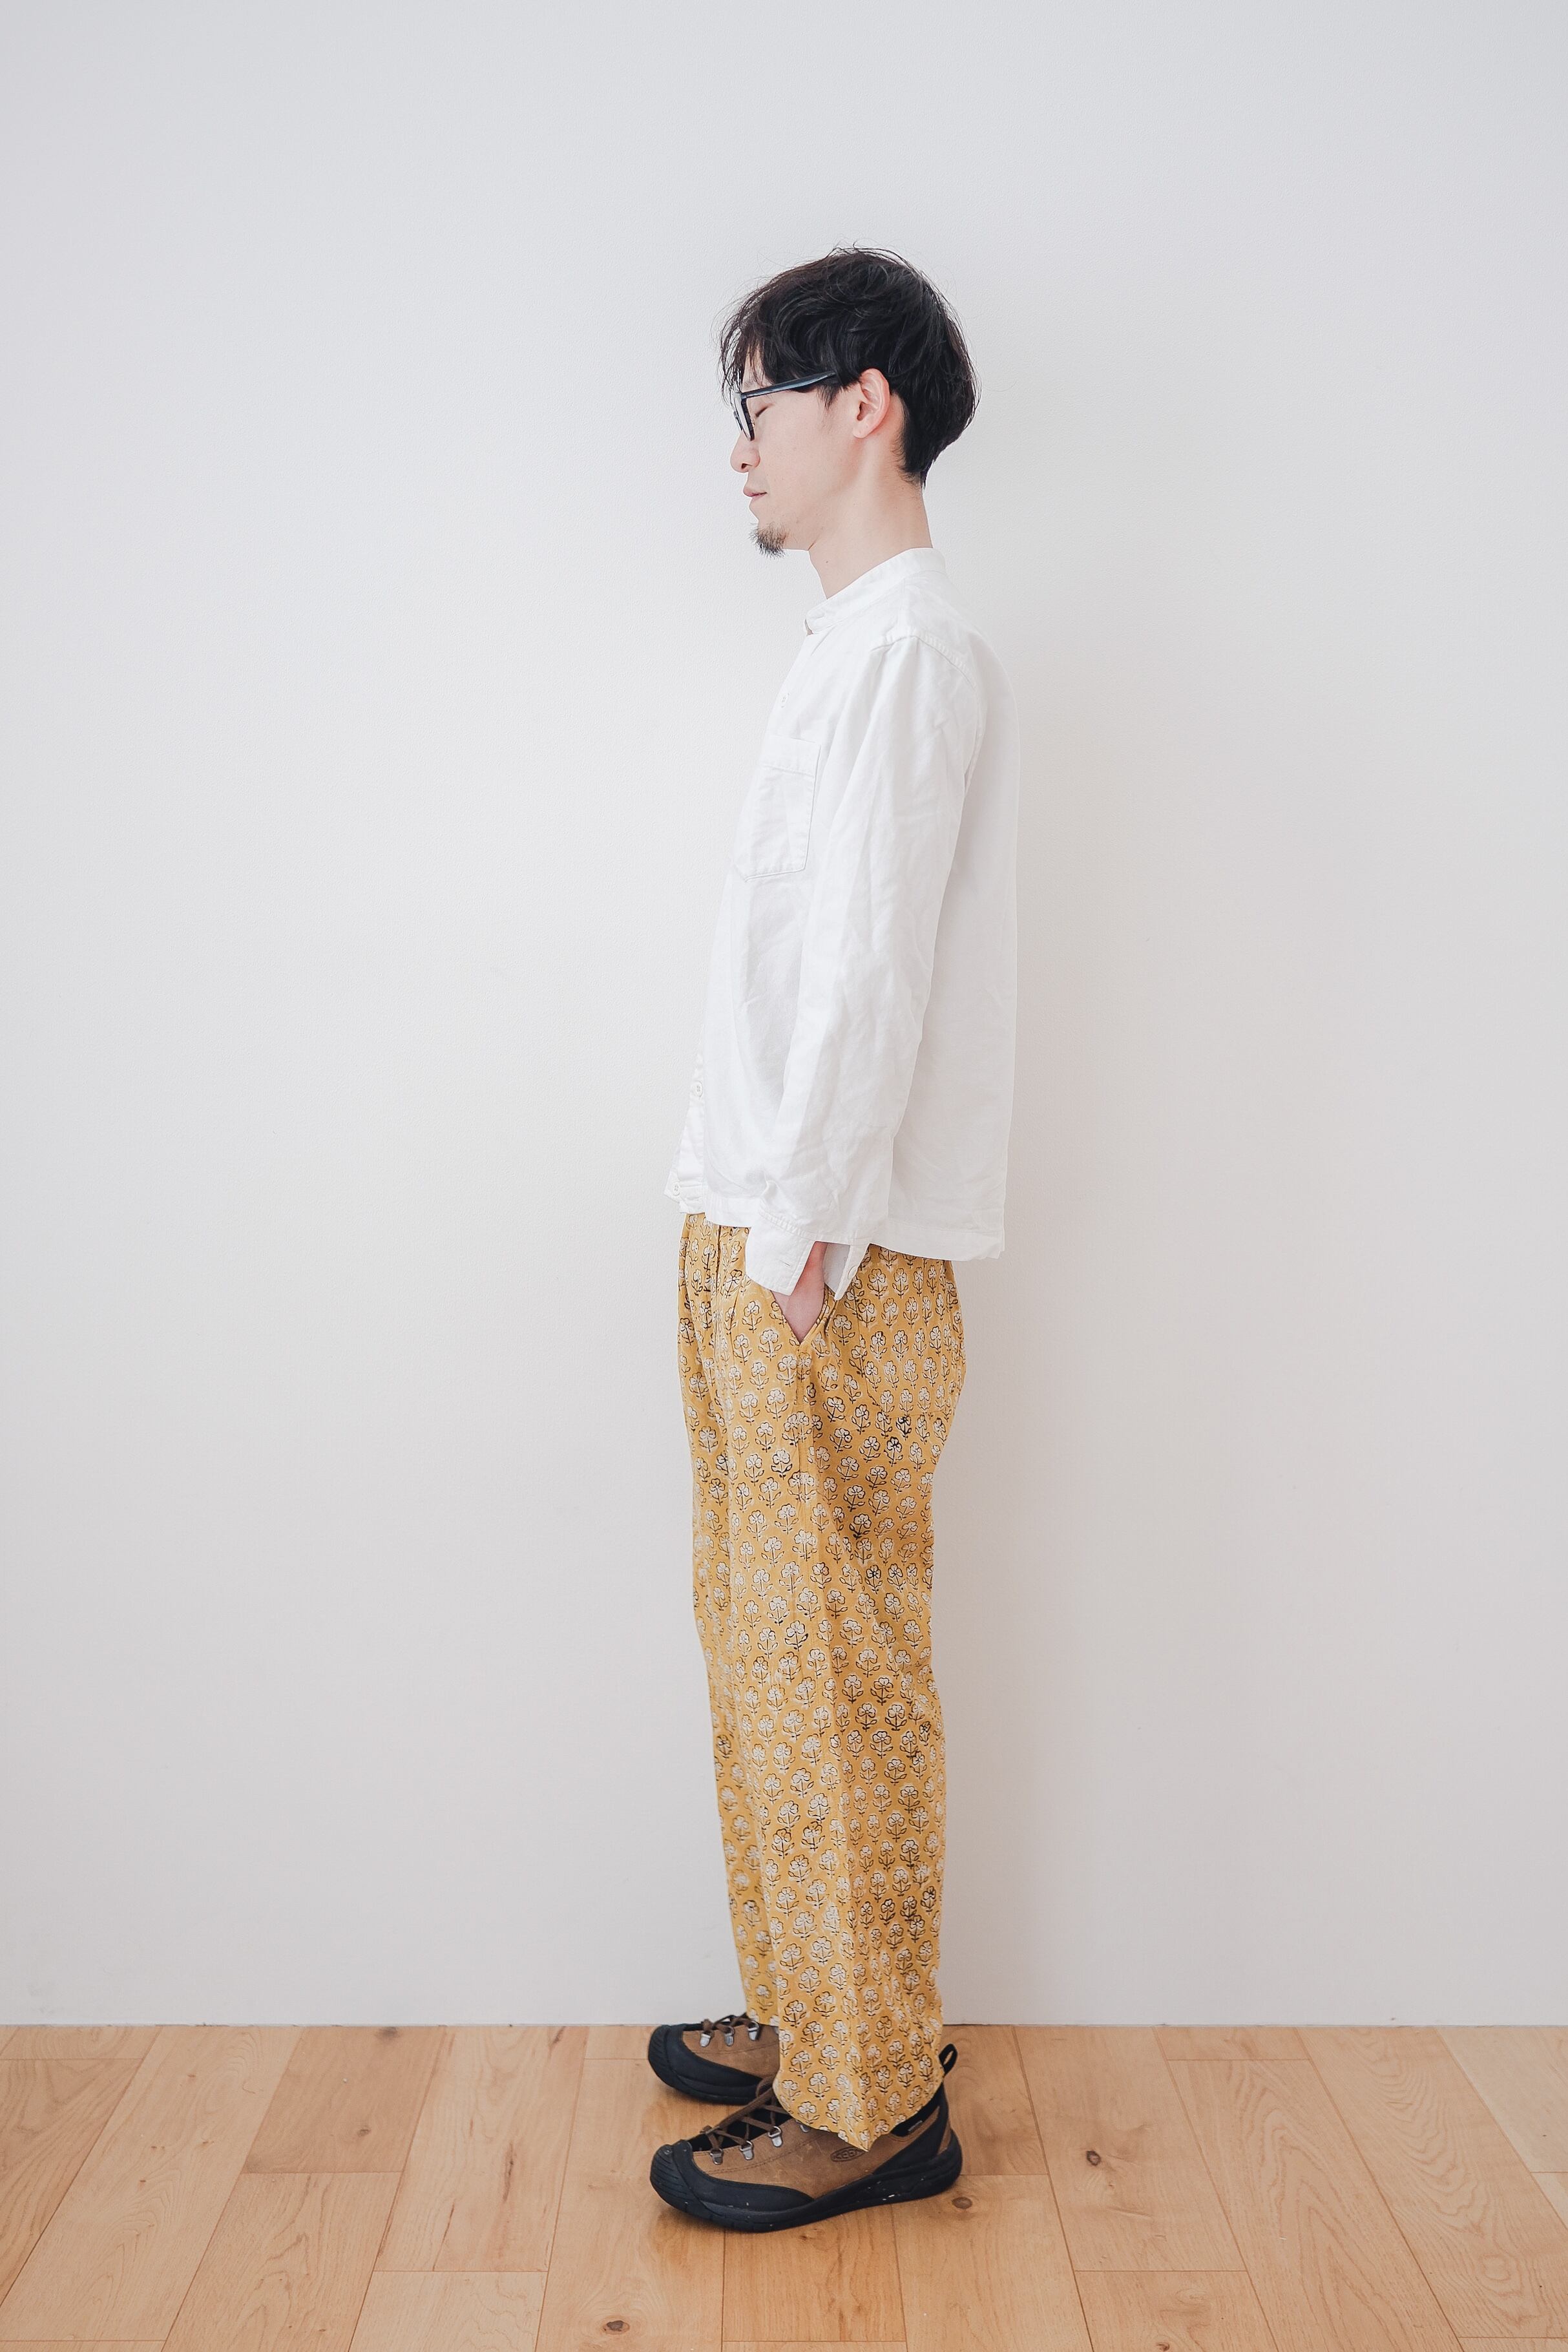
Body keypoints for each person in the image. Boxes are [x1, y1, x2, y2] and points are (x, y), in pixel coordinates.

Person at [648, 247, 1019, 2232]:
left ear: (861, 404)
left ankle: (873, 2103)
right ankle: (816, 2006)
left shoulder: (906, 655)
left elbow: (869, 966)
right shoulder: (850, 647)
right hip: (766, 1219)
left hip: (826, 1248)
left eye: (760, 405)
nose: (740, 449)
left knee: (835, 1663)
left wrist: (797, 1233)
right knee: (766, 1648)